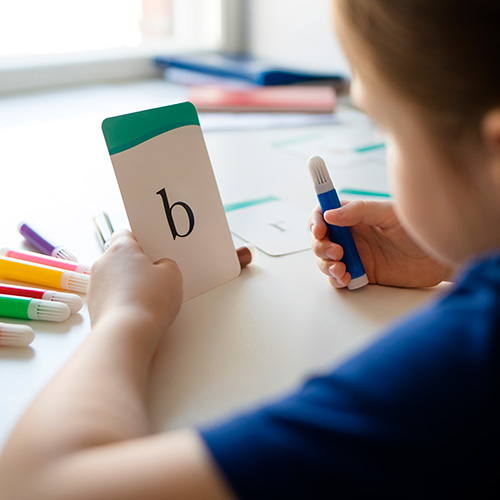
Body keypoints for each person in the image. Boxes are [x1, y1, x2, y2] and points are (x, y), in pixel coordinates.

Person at [1, 0, 499, 498]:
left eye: (386, 126)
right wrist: (462, 247)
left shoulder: (465, 366)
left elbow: (36, 485)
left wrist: (123, 318)